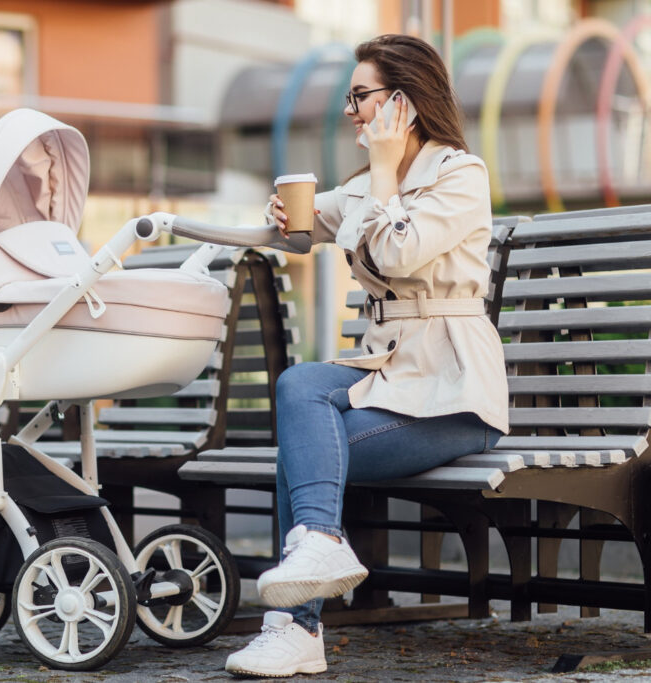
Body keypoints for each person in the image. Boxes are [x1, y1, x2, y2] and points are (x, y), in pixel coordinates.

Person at [224, 34, 509, 678]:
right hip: (390, 377)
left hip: (453, 392)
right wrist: (279, 215)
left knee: (300, 456)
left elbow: (401, 251)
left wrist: (382, 170)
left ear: (401, 103)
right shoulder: (361, 189)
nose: (351, 111)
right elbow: (298, 226)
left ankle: (294, 629)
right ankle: (319, 549)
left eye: (361, 97)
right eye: (349, 99)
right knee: (300, 387)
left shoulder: (459, 175)